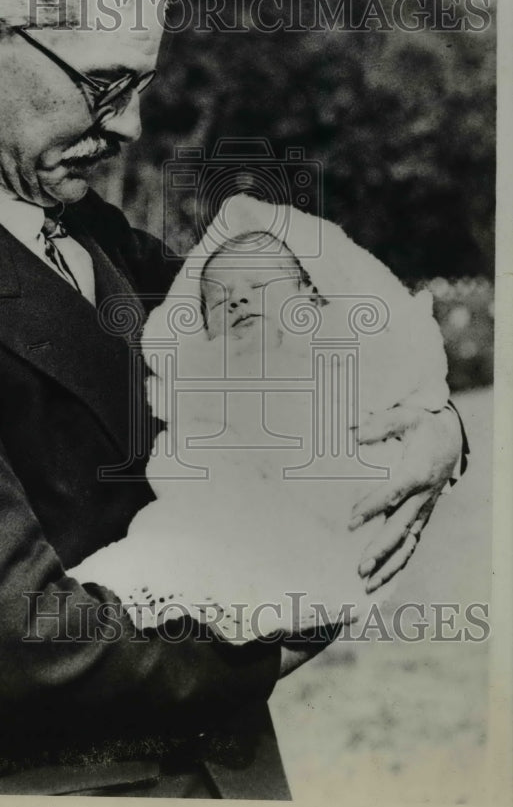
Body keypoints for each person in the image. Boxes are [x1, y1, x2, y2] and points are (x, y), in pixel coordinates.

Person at [0, 0, 468, 799]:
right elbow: (23, 653)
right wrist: (288, 633)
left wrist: (434, 426)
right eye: (107, 85)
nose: (130, 128)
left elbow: (268, 347)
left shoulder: (48, 203)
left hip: (195, 765)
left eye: (140, 89)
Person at [68, 195, 453, 644]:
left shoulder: (338, 347)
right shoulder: (208, 374)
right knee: (161, 551)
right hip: (233, 508)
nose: (238, 301)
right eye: (219, 301)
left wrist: (442, 423)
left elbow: (408, 370)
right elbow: (182, 440)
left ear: (311, 297)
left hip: (329, 501)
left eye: (260, 286)